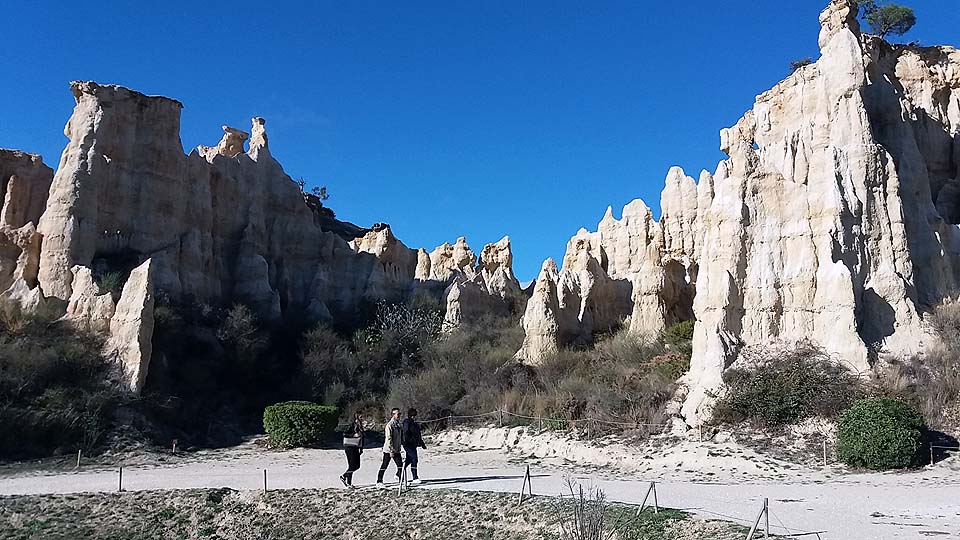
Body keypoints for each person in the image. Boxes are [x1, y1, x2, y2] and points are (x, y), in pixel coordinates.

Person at [376, 407, 403, 487]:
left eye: (399, 414)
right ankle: (379, 481)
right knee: (384, 465)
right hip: (389, 449)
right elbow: (388, 438)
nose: (399, 415)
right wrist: (391, 450)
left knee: (400, 465)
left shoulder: (398, 424)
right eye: (397, 414)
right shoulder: (389, 425)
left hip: (397, 449)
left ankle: (400, 480)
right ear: (393, 415)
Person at [402, 408, 427, 484]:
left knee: (409, 459)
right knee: (414, 459)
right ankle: (415, 477)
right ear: (412, 415)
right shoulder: (407, 422)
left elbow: (417, 435)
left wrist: (422, 444)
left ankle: (399, 472)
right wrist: (405, 442)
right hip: (408, 444)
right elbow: (406, 432)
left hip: (413, 444)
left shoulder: (415, 424)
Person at [340, 412, 364, 488]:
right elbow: (344, 434)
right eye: (361, 417)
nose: (362, 418)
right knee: (352, 465)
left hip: (356, 447)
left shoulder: (360, 426)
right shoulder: (352, 425)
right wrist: (353, 435)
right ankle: (346, 480)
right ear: (357, 417)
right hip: (349, 447)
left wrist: (361, 448)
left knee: (357, 465)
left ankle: (347, 480)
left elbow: (362, 438)